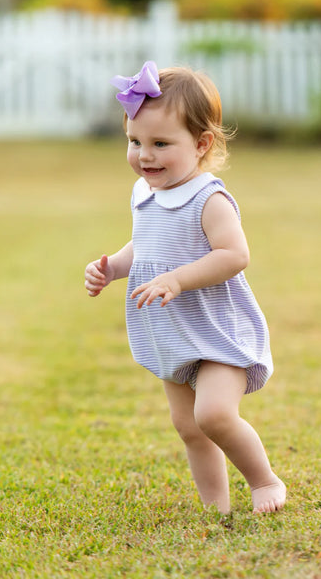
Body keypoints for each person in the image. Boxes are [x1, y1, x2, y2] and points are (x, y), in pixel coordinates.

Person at [84, 61, 286, 514]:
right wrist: (113, 268)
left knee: (212, 415)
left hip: (216, 330)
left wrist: (178, 277)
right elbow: (146, 244)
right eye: (135, 142)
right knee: (188, 427)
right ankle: (217, 505)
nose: (145, 155)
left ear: (201, 144)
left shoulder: (208, 198)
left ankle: (265, 481)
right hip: (172, 332)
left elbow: (234, 255)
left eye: (160, 144)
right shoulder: (145, 193)